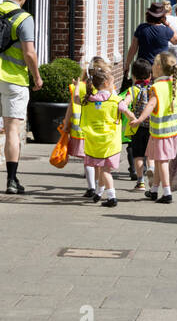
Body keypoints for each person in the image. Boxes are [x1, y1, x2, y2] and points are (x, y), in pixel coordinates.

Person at [0, 0, 43, 195]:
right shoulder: (24, 18)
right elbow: (29, 53)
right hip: (13, 80)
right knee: (12, 130)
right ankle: (11, 181)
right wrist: (37, 77)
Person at [135, 52, 177, 205]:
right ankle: (154, 190)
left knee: (162, 162)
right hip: (174, 131)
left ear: (158, 67)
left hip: (161, 132)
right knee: (159, 161)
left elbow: (150, 105)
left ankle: (167, 192)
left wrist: (139, 119)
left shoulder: (156, 87)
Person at [61, 57, 110, 199]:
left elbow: (72, 105)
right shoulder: (103, 88)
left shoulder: (81, 87)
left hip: (80, 130)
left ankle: (91, 187)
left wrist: (66, 123)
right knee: (98, 161)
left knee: (87, 161)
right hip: (98, 130)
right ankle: (100, 186)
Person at [81, 64, 124, 208]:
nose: (113, 86)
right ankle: (112, 197)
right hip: (110, 141)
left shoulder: (89, 101)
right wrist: (134, 119)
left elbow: (76, 99)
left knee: (101, 168)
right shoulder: (113, 100)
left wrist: (76, 86)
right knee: (106, 171)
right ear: (106, 84)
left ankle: (99, 193)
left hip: (95, 141)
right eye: (112, 83)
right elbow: (125, 110)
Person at [119, 58, 153, 192]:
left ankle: (140, 182)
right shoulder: (153, 89)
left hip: (137, 127)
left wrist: (130, 115)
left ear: (133, 75)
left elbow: (123, 104)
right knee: (150, 154)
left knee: (138, 155)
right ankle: (151, 170)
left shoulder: (133, 90)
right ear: (150, 75)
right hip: (152, 126)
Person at [123, 2, 177, 73]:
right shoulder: (165, 30)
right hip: (160, 68)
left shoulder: (141, 28)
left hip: (143, 68)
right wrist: (167, 24)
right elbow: (176, 40)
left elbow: (133, 48)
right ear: (162, 17)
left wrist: (127, 65)